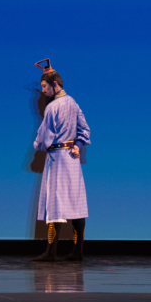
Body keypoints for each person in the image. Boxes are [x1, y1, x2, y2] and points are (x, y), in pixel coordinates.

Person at [32, 59, 91, 262]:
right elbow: (85, 129)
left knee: (55, 203)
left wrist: (37, 146)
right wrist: (77, 145)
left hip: (57, 160)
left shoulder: (52, 108)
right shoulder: (73, 102)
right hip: (72, 160)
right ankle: (78, 251)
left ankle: (51, 252)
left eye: (44, 86)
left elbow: (43, 139)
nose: (43, 91)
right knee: (76, 203)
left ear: (55, 84)